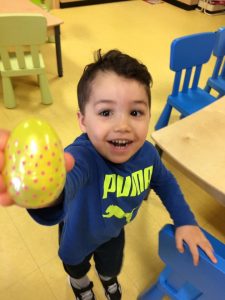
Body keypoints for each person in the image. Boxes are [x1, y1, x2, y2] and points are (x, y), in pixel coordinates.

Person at [0, 49, 217, 300]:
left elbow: (165, 182)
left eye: (135, 113)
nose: (123, 126)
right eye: (105, 113)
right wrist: (43, 190)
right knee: (76, 266)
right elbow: (66, 183)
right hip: (78, 236)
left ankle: (108, 280)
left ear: (148, 114)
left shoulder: (147, 154)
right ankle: (81, 285)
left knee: (111, 267)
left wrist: (186, 221)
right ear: (83, 120)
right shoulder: (82, 156)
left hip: (114, 231)